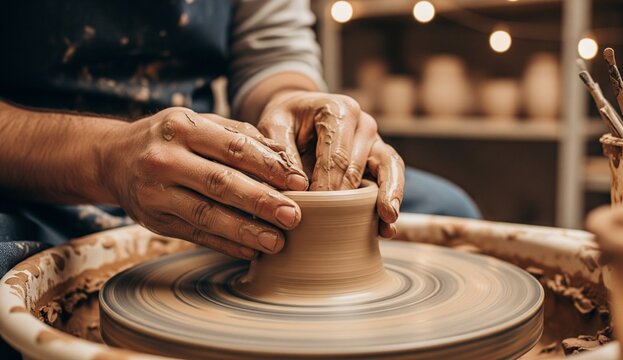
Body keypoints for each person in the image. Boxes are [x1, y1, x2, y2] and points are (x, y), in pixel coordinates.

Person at [0, 0, 480, 275]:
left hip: (200, 160)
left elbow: (270, 55)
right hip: (39, 177)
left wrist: (291, 107)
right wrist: (103, 157)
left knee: (448, 213)